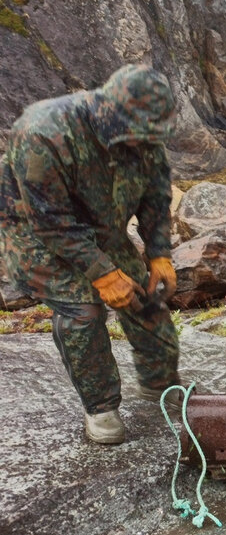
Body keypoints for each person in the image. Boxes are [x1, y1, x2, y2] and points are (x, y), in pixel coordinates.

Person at [0, 64, 181, 444]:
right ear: (114, 115)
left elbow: (156, 195)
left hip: (102, 229)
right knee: (83, 310)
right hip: (37, 237)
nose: (146, 142)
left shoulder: (142, 134)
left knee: (146, 294)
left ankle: (159, 383)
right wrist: (102, 274)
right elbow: (50, 222)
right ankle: (101, 407)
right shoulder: (43, 133)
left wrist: (159, 252)